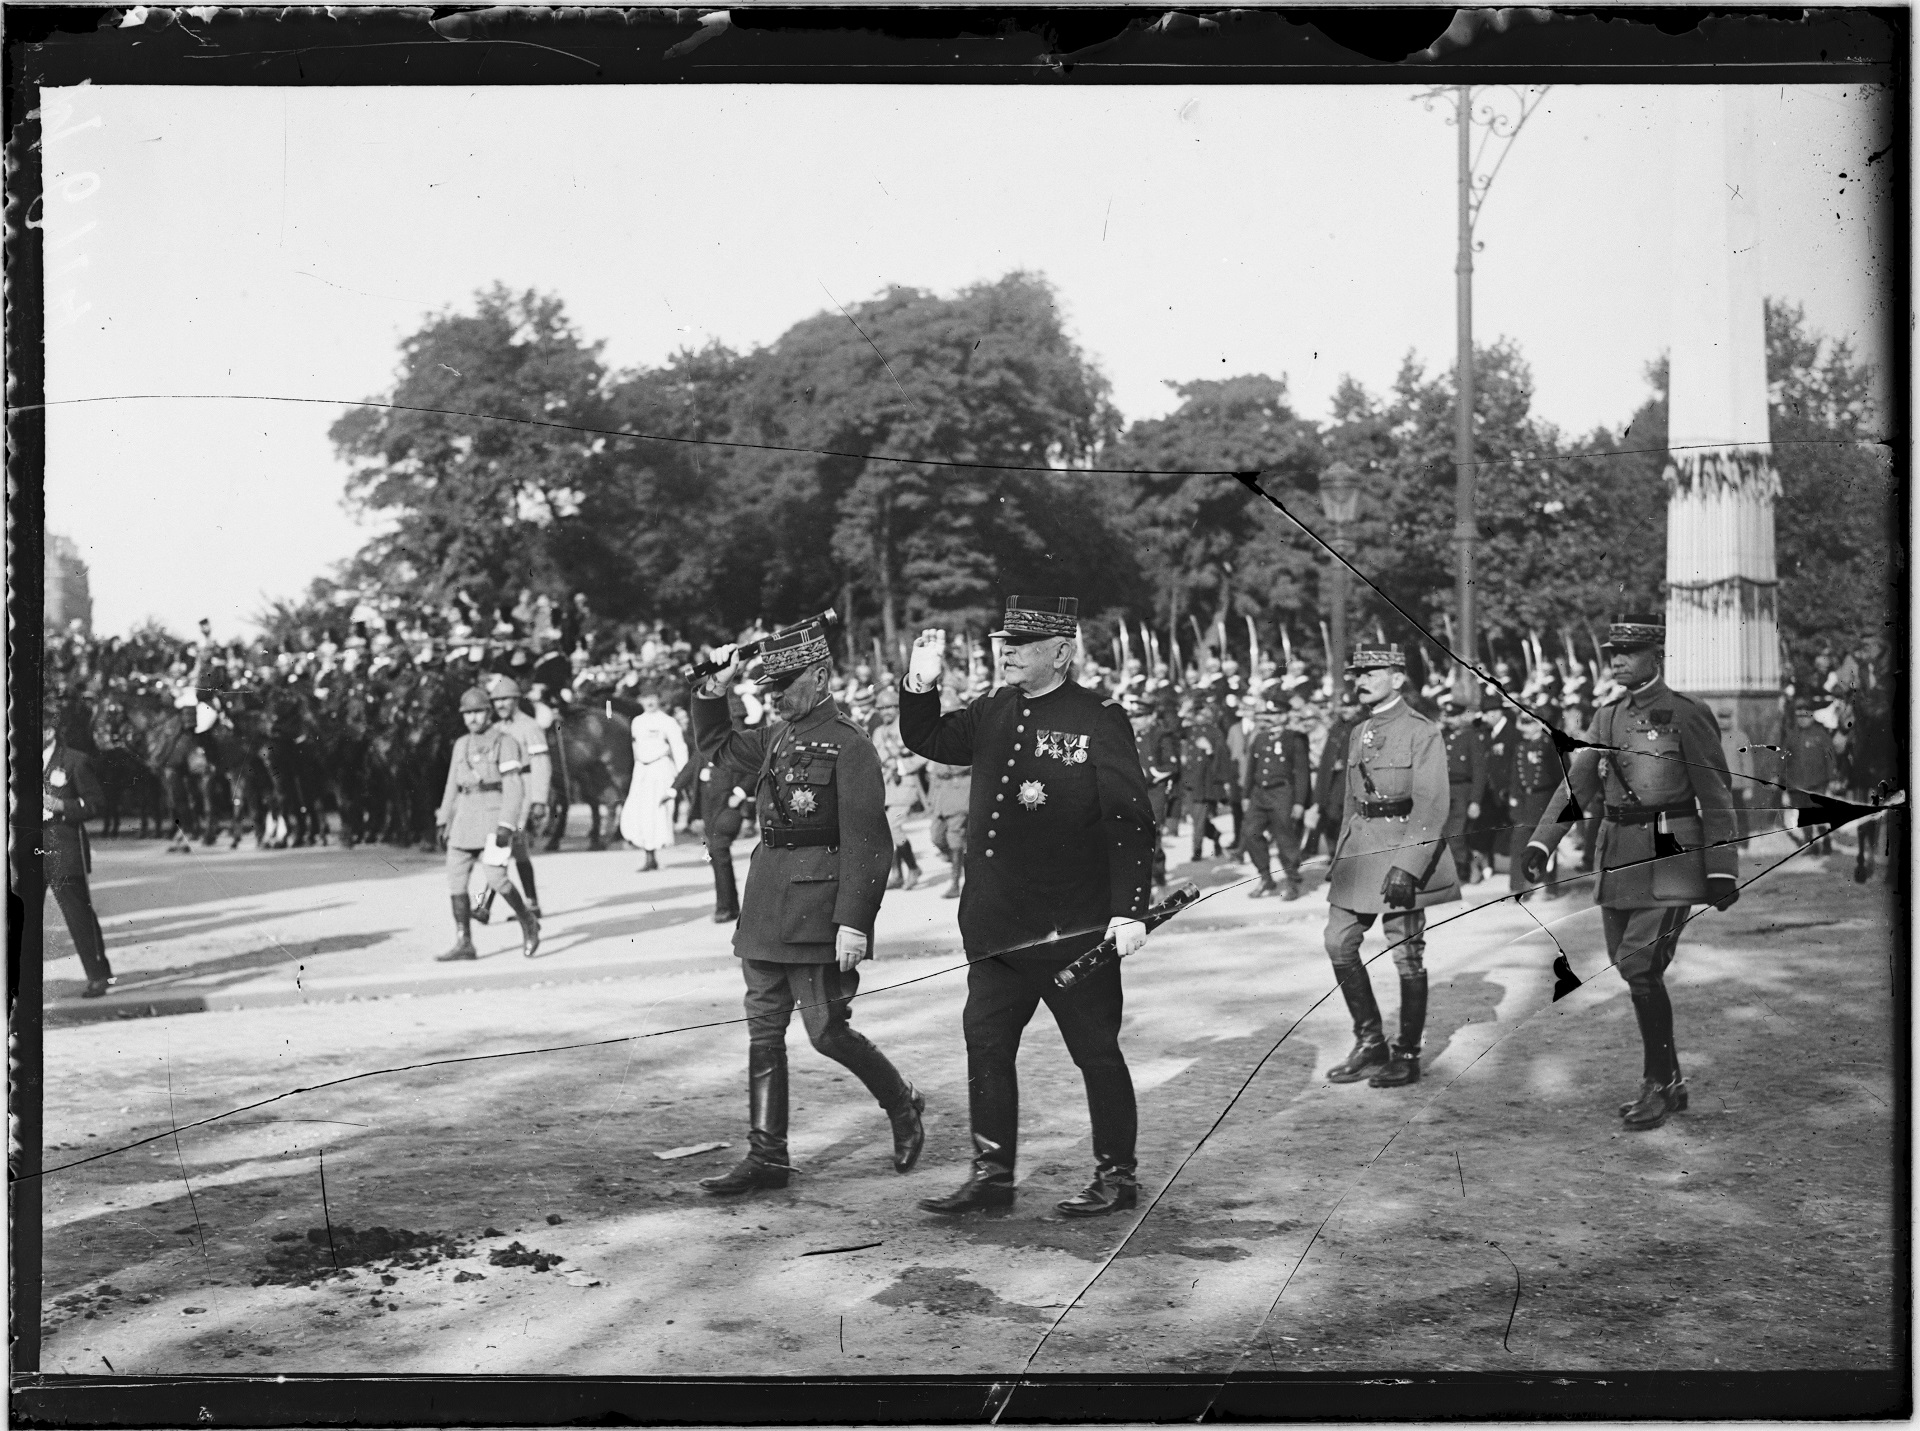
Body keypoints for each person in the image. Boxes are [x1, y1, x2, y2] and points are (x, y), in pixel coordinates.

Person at [898, 596, 1157, 1218]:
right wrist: (920, 685)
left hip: (1073, 928)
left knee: (1095, 1052)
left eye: (1021, 643)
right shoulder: (993, 707)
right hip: (997, 929)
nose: (1006, 651)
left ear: (1062, 652)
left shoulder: (1098, 716)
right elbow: (927, 736)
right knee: (985, 1046)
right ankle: (992, 1175)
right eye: (1003, 643)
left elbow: (1130, 819)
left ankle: (1116, 1176)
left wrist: (1131, 910)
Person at [689, 619, 925, 1196]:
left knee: (825, 1032)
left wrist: (854, 921)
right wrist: (711, 690)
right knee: (763, 1031)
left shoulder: (850, 744)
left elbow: (870, 841)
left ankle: (902, 1103)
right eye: (769, 684)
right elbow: (716, 746)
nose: (775, 694)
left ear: (819, 675)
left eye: (786, 682)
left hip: (816, 910)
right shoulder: (776, 735)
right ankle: (767, 1155)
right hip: (767, 902)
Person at [1523, 614, 1740, 1131]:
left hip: (1671, 857)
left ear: (1656, 656)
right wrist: (1541, 842)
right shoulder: (1607, 717)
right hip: (1618, 856)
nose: (1616, 659)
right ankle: (1673, 1080)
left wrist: (1723, 869)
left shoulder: (1687, 714)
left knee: (1639, 968)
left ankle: (1657, 1085)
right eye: (1612, 652)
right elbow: (1578, 787)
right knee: (1630, 969)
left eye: (1628, 652)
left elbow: (1717, 794)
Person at [1321, 645, 1459, 1090]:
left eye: (1372, 672)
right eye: (1357, 673)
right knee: (1338, 941)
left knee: (1405, 951)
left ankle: (1406, 1053)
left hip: (1402, 848)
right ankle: (1370, 1042)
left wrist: (1410, 864)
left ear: (1398, 678)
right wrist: (1340, 856)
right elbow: (1350, 801)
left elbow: (1433, 802)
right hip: (1361, 849)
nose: (1361, 680)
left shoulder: (1422, 731)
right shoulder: (1358, 729)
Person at [434, 686, 540, 961]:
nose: (472, 718)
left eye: (478, 712)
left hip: (493, 818)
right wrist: (443, 818)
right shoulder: (461, 744)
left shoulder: (505, 742)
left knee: (496, 877)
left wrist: (507, 823)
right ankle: (464, 942)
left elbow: (514, 785)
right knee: (455, 881)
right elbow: (450, 784)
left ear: (488, 712)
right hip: (464, 819)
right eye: (467, 713)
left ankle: (528, 922)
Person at [42, 696, 114, 998]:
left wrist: (61, 805)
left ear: (48, 732)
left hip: (63, 846)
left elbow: (95, 804)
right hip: (24, 847)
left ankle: (99, 974)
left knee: (77, 913)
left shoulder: (74, 760)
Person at [472, 675, 550, 924]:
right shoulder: (497, 728)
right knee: (517, 849)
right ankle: (532, 903)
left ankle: (484, 905)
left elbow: (541, 764)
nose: (501, 704)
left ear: (516, 700)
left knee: (501, 843)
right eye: (497, 700)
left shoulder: (530, 727)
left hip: (524, 790)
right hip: (505, 791)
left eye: (506, 699)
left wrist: (539, 799)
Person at [1239, 697, 1312, 900]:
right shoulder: (1260, 738)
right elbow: (1250, 770)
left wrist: (1299, 802)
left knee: (1285, 838)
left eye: (1275, 714)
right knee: (1250, 833)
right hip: (1259, 794)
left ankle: (1292, 880)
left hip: (1283, 794)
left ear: (1284, 716)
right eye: (1269, 715)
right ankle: (1265, 877)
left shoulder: (1294, 739)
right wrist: (1245, 795)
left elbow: (1301, 773)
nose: (1271, 719)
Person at [620, 688, 687, 872]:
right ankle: (648, 854)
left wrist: (683, 777)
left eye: (652, 698)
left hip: (661, 769)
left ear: (658, 699)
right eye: (645, 698)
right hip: (642, 770)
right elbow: (636, 749)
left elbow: (679, 748)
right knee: (638, 811)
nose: (649, 702)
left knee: (655, 813)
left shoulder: (668, 722)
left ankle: (652, 856)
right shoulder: (637, 722)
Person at [1508, 707, 1567, 900]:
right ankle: (1519, 887)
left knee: (1547, 843)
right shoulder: (1520, 747)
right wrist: (1514, 800)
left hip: (1545, 799)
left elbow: (1562, 775)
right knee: (1519, 843)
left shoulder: (1550, 745)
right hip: (1525, 802)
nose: (1524, 729)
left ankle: (1549, 886)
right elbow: (1516, 777)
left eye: (1529, 724)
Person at [871, 688, 926, 890]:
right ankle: (898, 874)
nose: (885, 712)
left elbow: (924, 755)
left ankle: (913, 868)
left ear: (897, 707)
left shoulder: (908, 727)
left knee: (894, 826)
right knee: (887, 830)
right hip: (886, 785)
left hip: (905, 784)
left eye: (889, 707)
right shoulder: (878, 731)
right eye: (881, 708)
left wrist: (902, 765)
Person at [924, 699, 973, 900]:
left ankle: (955, 882)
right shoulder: (938, 736)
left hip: (960, 789)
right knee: (936, 835)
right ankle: (960, 859)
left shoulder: (966, 736)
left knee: (955, 836)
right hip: (942, 793)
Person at [1439, 693, 1489, 884]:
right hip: (1446, 790)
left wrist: (1476, 800)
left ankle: (1466, 868)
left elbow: (1479, 771)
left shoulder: (1471, 738)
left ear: (1461, 716)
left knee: (1457, 834)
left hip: (1463, 791)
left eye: (1453, 716)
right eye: (1448, 716)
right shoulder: (1445, 738)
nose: (1450, 720)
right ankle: (1461, 867)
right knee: (1445, 833)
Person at [1784, 698, 1840, 854]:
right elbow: (1783, 758)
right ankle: (1811, 844)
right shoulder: (1791, 736)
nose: (1802, 720)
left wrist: (1832, 777)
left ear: (1811, 716)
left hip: (1818, 782)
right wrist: (1781, 777)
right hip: (1797, 783)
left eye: (1805, 716)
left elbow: (1830, 758)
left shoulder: (1821, 734)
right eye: (1799, 717)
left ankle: (1826, 841)